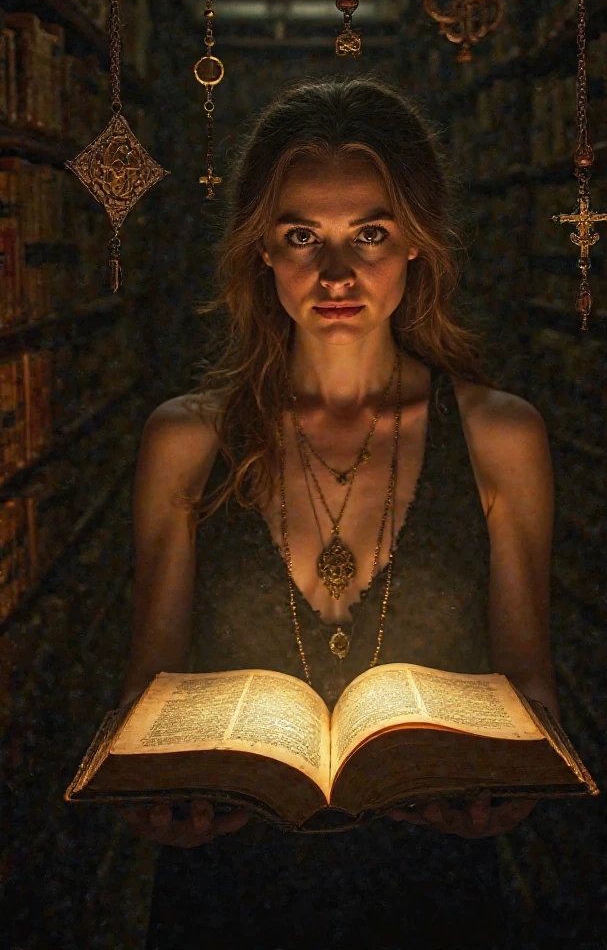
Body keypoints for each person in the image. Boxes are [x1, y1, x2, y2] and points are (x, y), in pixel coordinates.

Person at [118, 76, 559, 949]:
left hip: (434, 891)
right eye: (299, 237)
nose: (335, 273)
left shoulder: (500, 436)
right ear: (261, 254)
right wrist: (150, 798)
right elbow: (146, 693)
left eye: (370, 234)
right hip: (228, 892)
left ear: (416, 248)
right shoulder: (185, 441)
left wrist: (505, 785)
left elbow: (532, 685)